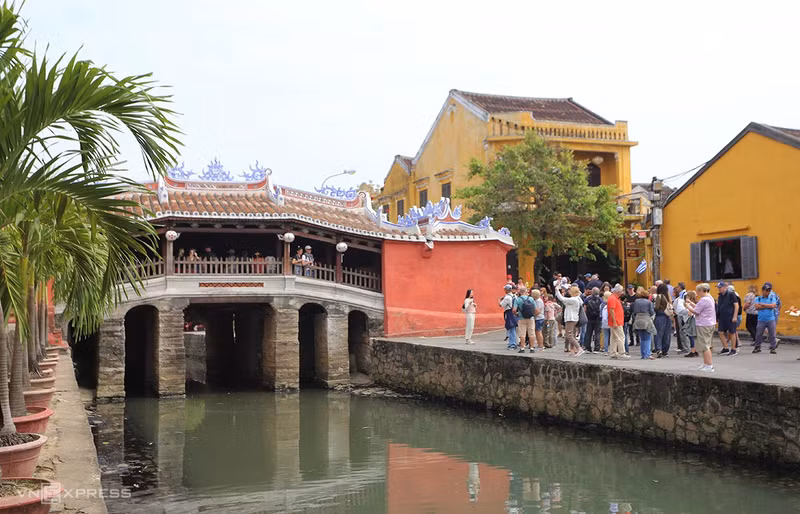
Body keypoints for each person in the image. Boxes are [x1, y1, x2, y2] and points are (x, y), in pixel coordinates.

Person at [688, 283, 716, 371]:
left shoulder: (704, 300)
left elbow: (696, 311)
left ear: (701, 291)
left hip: (703, 324)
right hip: (710, 323)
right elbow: (700, 308)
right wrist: (691, 303)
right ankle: (706, 363)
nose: (697, 293)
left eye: (697, 291)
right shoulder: (710, 298)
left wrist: (687, 306)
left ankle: (709, 365)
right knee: (707, 344)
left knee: (705, 346)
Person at [555, 285, 585, 356]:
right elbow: (565, 302)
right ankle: (572, 350)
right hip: (574, 318)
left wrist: (557, 290)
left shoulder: (573, 300)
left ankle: (579, 348)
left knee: (569, 335)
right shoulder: (577, 299)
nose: (569, 291)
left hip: (570, 319)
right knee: (572, 334)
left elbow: (562, 299)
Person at [753, 282, 780, 354]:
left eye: (769, 290)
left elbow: (773, 306)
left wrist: (763, 305)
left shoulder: (772, 298)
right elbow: (757, 307)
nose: (768, 292)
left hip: (771, 319)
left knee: (772, 334)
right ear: (763, 290)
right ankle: (757, 347)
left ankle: (773, 347)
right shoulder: (758, 298)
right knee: (758, 334)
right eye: (766, 290)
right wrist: (768, 306)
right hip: (761, 319)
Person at [631, 286, 656, 360]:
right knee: (647, 338)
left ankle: (643, 354)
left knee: (642, 338)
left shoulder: (636, 301)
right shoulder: (649, 302)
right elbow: (651, 312)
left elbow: (634, 311)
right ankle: (647, 354)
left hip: (638, 319)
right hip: (646, 319)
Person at [716, 282, 739, 356]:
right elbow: (719, 307)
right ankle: (725, 348)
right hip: (722, 317)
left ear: (725, 287)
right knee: (720, 332)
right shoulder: (720, 296)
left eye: (720, 287)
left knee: (732, 332)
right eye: (718, 287)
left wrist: (735, 316)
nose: (719, 289)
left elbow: (736, 305)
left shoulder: (731, 294)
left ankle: (733, 349)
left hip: (730, 316)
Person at [607, 284, 628, 359]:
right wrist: (615, 321)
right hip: (616, 322)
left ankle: (613, 353)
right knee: (621, 337)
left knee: (614, 338)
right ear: (618, 291)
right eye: (621, 291)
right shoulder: (613, 298)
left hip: (616, 321)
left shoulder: (614, 298)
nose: (622, 292)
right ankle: (622, 353)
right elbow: (611, 310)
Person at [653, 283, 672, 357]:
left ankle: (659, 349)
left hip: (660, 316)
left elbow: (657, 307)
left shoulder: (659, 296)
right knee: (667, 334)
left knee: (659, 333)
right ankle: (665, 350)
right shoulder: (668, 297)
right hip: (668, 316)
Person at [583, 287, 603, 353]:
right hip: (598, 318)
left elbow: (584, 308)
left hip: (589, 318)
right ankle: (596, 348)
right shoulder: (600, 300)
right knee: (597, 333)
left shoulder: (588, 299)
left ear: (592, 292)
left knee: (588, 333)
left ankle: (588, 348)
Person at [515, 287, 535, 354]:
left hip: (521, 318)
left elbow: (514, 310)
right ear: (526, 291)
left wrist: (516, 314)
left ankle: (522, 348)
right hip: (531, 318)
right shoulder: (531, 299)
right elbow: (535, 309)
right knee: (531, 333)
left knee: (522, 334)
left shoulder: (517, 299)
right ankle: (532, 348)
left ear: (520, 292)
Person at [681, 290, 699, 357]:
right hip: (693, 320)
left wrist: (687, 307)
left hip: (691, 320)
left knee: (691, 335)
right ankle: (695, 350)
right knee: (693, 336)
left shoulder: (690, 304)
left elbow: (690, 313)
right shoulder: (696, 303)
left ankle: (693, 350)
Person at [500, 284, 518, 349]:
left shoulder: (507, 297)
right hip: (515, 312)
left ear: (506, 290)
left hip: (509, 312)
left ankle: (512, 344)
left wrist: (500, 300)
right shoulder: (515, 296)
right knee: (513, 328)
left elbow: (501, 305)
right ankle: (513, 342)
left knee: (511, 328)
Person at [672, 283, 687, 353]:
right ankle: (684, 347)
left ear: (680, 287)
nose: (676, 288)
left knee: (683, 331)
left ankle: (686, 347)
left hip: (682, 314)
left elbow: (683, 304)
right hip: (680, 313)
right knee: (681, 331)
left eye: (677, 287)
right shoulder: (681, 294)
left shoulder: (684, 294)